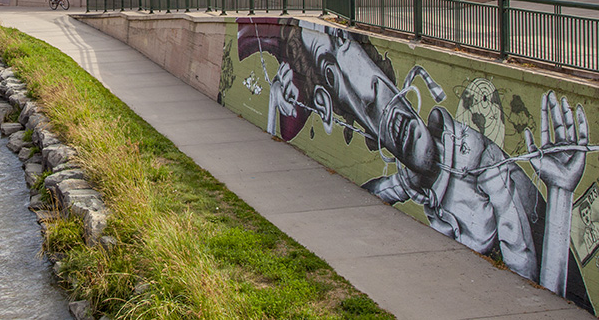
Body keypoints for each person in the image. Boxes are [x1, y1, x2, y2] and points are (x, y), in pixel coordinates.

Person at [238, 18, 593, 307]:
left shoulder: (475, 157)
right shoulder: (419, 180)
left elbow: (535, 286)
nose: (368, 91)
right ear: (326, 102)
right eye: (331, 72)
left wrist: (560, 193)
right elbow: (374, 193)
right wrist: (275, 105)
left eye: (344, 43)